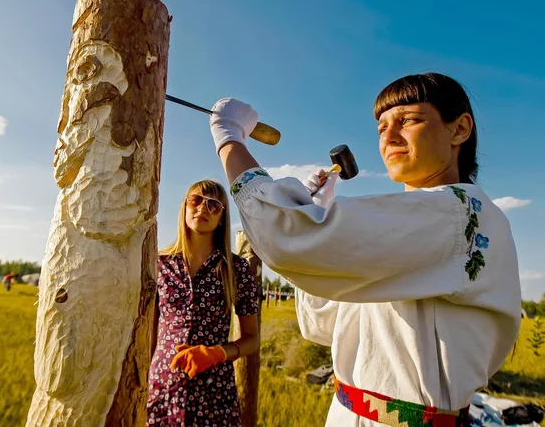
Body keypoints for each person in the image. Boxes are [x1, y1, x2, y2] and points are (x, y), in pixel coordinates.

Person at [207, 73, 521, 426]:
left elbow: (285, 237)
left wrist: (230, 139)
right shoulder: (419, 230)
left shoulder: (460, 213)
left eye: (409, 120)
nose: (389, 136)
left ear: (459, 129)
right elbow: (321, 325)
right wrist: (319, 214)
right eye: (381, 127)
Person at [146, 179, 260, 426]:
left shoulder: (236, 269)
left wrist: (216, 353)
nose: (202, 209)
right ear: (185, 208)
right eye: (196, 201)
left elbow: (252, 338)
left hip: (214, 393)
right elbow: (150, 335)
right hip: (163, 388)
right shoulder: (159, 264)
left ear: (222, 218)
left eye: (214, 206)